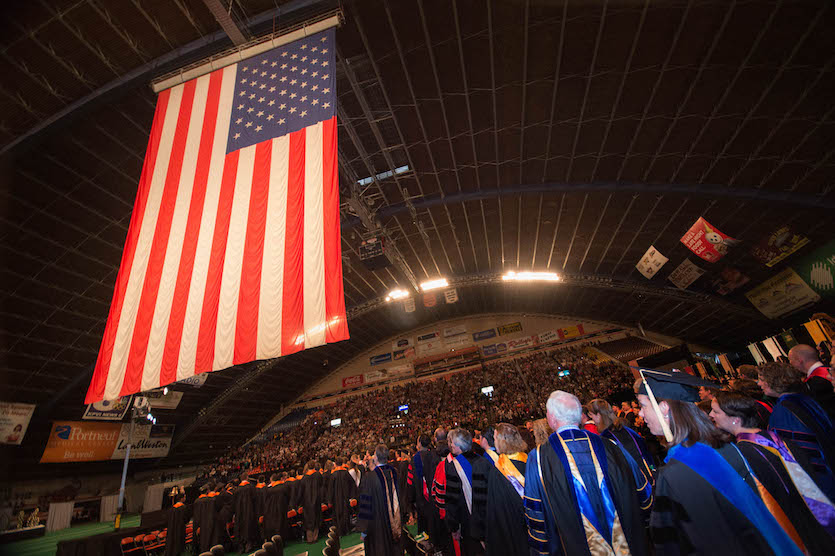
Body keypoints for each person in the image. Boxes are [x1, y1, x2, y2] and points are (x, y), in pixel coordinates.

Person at [637, 368, 804, 556]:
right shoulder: (728, 447)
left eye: (643, 405)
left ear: (664, 408)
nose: (641, 415)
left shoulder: (675, 474)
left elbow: (675, 544)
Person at [525, 391, 651, 556]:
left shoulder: (539, 458)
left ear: (552, 418)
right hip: (628, 542)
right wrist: (644, 524)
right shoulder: (611, 445)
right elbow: (643, 491)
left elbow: (536, 513)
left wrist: (542, 550)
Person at [711, 390, 835, 545]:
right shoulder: (774, 438)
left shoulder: (746, 453)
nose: (711, 415)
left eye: (716, 411)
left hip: (794, 527)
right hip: (811, 516)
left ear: (735, 419)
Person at [759, 361, 835, 503]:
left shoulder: (783, 411)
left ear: (773, 381)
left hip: (821, 483)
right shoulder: (805, 399)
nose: (758, 384)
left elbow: (800, 454)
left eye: (762, 379)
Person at [444, 428, 493, 556]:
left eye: (452, 442)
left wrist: (453, 527)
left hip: (467, 521)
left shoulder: (453, 466)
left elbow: (452, 500)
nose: (450, 445)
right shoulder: (482, 460)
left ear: (459, 446)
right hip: (487, 518)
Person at [588, 398, 656, 487]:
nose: (592, 419)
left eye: (592, 415)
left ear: (598, 415)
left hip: (633, 484)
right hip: (648, 476)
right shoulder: (626, 430)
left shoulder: (606, 438)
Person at [489, 423, 528, 556]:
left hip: (511, 529)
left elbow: (496, 510)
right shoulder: (529, 460)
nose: (493, 441)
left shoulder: (497, 471)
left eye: (495, 438)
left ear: (502, 441)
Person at [358, 444, 402, 556]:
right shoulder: (395, 472)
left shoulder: (369, 478)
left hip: (377, 528)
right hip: (396, 525)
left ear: (376, 458)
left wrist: (364, 530)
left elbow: (366, 506)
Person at [233, 473, 259, 552]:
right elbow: (255, 500)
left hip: (239, 512)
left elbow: (234, 503)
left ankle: (241, 547)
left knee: (241, 527)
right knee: (249, 526)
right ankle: (249, 545)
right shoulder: (251, 487)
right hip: (249, 510)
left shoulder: (237, 490)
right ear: (247, 478)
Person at [300, 459, 323, 543]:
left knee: (308, 520)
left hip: (307, 502)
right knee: (316, 518)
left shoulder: (304, 478)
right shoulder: (318, 475)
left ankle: (309, 539)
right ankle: (315, 537)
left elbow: (301, 492)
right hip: (316, 499)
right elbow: (321, 485)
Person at [330, 457, 354, 536]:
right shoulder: (346, 473)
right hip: (345, 496)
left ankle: (340, 532)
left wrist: (330, 499)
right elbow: (352, 484)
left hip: (336, 498)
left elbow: (331, 488)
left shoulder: (333, 474)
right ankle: (347, 530)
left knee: (338, 514)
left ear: (336, 464)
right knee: (346, 513)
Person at [192, 483, 216, 553]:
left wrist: (197, 526)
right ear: (207, 491)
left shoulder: (196, 501)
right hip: (209, 524)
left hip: (200, 525)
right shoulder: (210, 500)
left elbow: (196, 516)